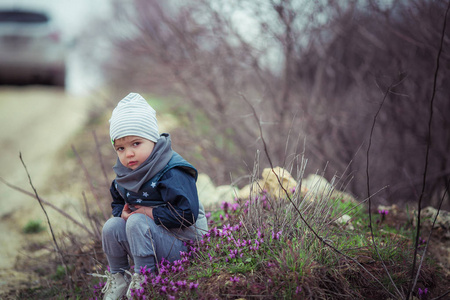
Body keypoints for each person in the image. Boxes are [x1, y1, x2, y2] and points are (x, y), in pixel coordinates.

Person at [97, 93, 208, 300]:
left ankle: (146, 280)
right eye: (120, 148)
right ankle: (119, 279)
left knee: (138, 220)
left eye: (136, 144)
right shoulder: (127, 173)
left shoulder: (172, 170)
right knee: (111, 226)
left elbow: (187, 214)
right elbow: (118, 200)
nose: (128, 154)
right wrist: (120, 212)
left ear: (153, 140)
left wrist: (148, 212)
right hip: (152, 239)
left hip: (184, 244)